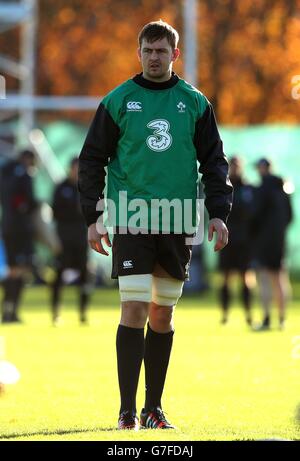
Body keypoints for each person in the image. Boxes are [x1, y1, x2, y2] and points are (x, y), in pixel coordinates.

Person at [78, 20, 233, 430]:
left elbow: (215, 162)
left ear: (174, 55)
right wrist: (93, 218)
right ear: (139, 52)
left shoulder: (194, 103)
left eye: (161, 51)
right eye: (147, 50)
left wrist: (218, 212)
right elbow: (92, 159)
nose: (153, 57)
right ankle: (127, 411)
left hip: (177, 219)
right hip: (130, 218)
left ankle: (154, 409)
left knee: (162, 315)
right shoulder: (118, 100)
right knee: (133, 308)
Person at [252, 158, 293, 330]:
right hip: (280, 240)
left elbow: (255, 216)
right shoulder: (284, 187)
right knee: (280, 278)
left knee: (264, 279)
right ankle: (282, 319)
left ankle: (267, 318)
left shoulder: (262, 189)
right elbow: (290, 216)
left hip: (264, 240)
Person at [51, 157, 91, 325]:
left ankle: (82, 313)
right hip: (64, 238)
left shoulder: (86, 188)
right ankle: (55, 313)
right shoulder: (61, 188)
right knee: (59, 275)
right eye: (75, 168)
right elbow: (55, 212)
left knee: (85, 275)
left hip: (82, 239)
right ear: (70, 168)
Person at [0, 149, 37, 323]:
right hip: (20, 229)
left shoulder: (5, 173)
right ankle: (11, 312)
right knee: (19, 271)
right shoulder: (23, 175)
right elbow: (28, 202)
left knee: (13, 270)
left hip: (7, 227)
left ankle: (8, 311)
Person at [218, 156, 254, 326]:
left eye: (237, 166)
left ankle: (249, 314)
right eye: (232, 165)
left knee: (246, 277)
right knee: (225, 278)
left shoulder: (248, 188)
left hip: (244, 241)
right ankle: (225, 314)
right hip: (227, 239)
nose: (235, 169)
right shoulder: (224, 188)